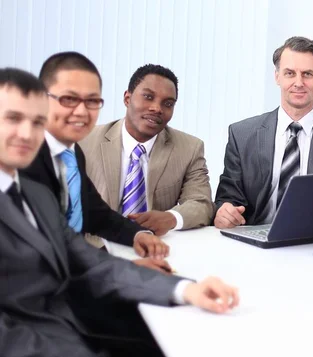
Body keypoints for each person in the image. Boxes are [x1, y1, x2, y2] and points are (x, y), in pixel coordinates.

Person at [0, 67, 239, 357]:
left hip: (68, 322)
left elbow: (93, 263)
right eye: (13, 118)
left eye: (37, 121)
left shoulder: (37, 197)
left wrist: (186, 290)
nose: (27, 133)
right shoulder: (83, 147)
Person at [21, 51, 169, 269]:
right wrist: (125, 270)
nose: (81, 112)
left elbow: (94, 213)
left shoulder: (71, 153)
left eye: (91, 101)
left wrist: (138, 235)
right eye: (69, 99)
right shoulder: (19, 158)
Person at [214, 36, 313, 228]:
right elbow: (227, 198)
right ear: (277, 76)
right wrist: (225, 211)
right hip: (256, 239)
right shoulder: (242, 134)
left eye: (307, 74)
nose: (298, 82)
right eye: (289, 73)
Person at [80, 64, 214, 236]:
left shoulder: (189, 148)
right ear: (127, 99)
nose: (157, 108)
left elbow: (202, 203)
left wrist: (171, 218)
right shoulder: (84, 141)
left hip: (156, 246)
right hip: (97, 246)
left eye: (168, 103)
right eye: (148, 97)